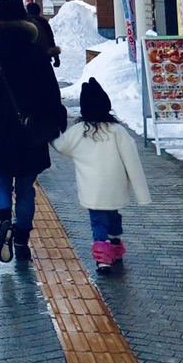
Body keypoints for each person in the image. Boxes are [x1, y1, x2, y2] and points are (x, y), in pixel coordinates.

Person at [0, 0, 67, 263]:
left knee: (0, 180)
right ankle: (21, 239)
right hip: (30, 130)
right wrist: (56, 119)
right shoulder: (34, 51)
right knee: (25, 187)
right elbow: (51, 91)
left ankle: (3, 220)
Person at [51, 78, 151, 272]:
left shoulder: (79, 131)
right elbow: (132, 162)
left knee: (98, 219)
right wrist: (142, 195)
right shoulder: (117, 131)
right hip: (115, 186)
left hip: (92, 189)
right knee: (113, 214)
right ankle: (115, 244)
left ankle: (103, 256)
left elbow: (61, 146)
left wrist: (52, 133)